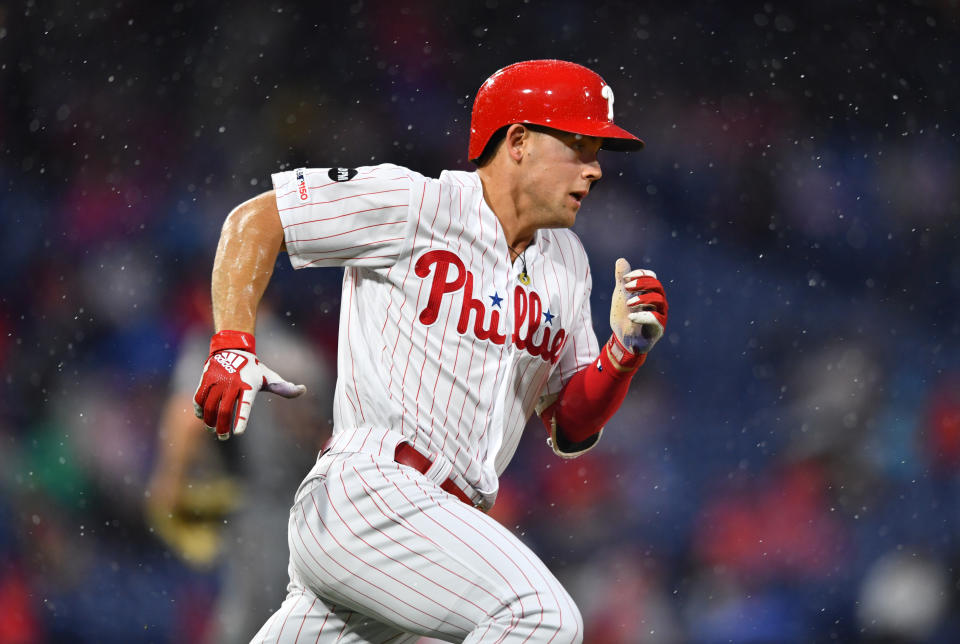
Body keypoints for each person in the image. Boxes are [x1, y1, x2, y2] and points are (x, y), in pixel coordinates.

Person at [193, 59, 669, 643]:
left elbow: (568, 425)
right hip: (371, 491)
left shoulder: (568, 262)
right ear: (517, 141)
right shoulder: (418, 202)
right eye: (579, 145)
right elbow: (258, 220)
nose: (595, 169)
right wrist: (232, 345)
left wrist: (623, 353)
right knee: (541, 616)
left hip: (430, 536)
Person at [147, 307, 333, 643]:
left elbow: (187, 418)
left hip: (260, 516)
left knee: (247, 631)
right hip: (318, 519)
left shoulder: (223, 349)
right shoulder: (301, 352)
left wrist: (168, 483)